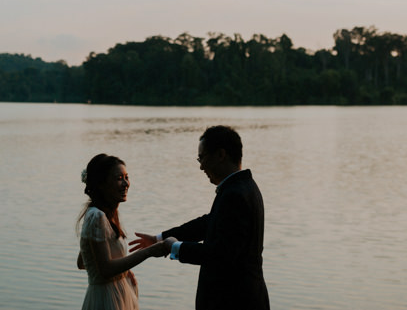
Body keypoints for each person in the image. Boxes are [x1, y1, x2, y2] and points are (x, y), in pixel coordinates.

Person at [129, 125, 269, 310]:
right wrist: (159, 239)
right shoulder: (244, 186)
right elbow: (208, 223)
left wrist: (176, 248)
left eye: (202, 158)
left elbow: (221, 255)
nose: (201, 166)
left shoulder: (235, 194)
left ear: (221, 155)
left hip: (234, 300)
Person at [77, 153, 175, 310]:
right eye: (119, 178)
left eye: (126, 177)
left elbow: (84, 262)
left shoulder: (105, 215)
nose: (126, 183)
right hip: (106, 300)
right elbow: (104, 270)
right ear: (101, 184)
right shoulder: (96, 217)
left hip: (118, 295)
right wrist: (150, 251)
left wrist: (124, 271)